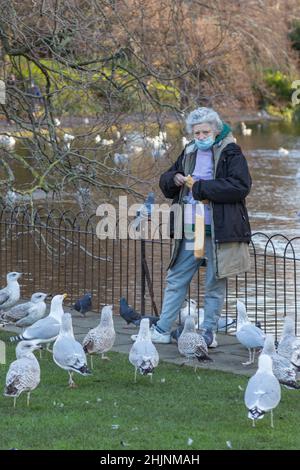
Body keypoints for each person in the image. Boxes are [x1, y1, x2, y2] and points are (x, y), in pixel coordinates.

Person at [133, 107, 252, 346]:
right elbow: (166, 182)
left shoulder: (231, 152)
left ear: (216, 130)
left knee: (214, 283)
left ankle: (208, 333)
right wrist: (174, 179)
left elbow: (241, 186)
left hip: (219, 230)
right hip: (191, 229)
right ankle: (163, 329)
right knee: (176, 278)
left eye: (205, 132)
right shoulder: (189, 150)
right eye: (196, 133)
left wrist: (200, 188)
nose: (200, 137)